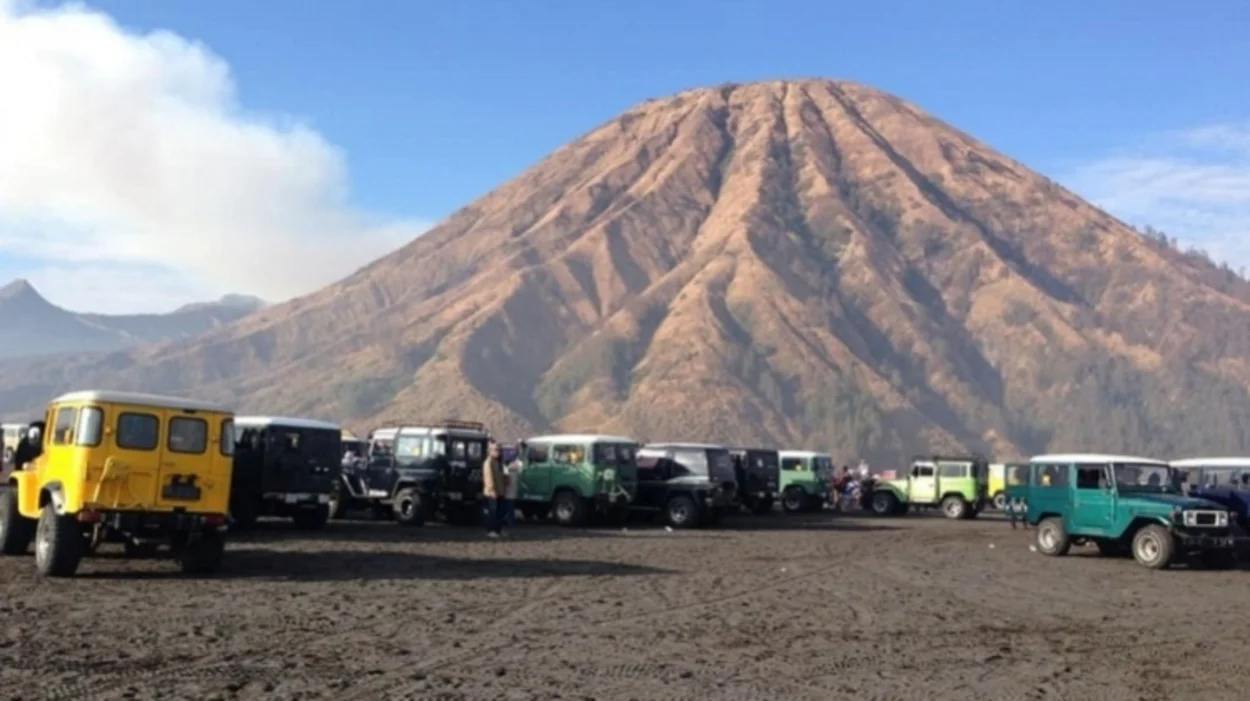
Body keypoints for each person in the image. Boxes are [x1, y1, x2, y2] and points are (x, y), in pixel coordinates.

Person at [481, 440, 506, 538]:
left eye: (499, 450)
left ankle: (498, 530)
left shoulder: (498, 462)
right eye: (496, 450)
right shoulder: (488, 462)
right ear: (490, 450)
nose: (498, 452)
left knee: (500, 512)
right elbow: (488, 478)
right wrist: (492, 490)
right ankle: (490, 530)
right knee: (492, 512)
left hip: (500, 491)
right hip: (492, 493)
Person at [501, 441, 526, 528]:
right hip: (511, 489)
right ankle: (509, 521)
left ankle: (507, 521)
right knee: (510, 506)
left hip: (507, 489)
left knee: (507, 506)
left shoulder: (506, 467)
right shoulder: (517, 464)